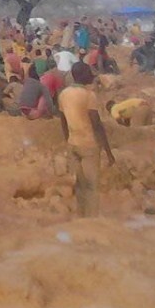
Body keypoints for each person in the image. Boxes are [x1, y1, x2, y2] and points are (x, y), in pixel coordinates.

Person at [59, 62, 115, 218]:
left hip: (73, 143)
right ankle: (92, 221)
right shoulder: (89, 95)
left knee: (80, 185)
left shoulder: (63, 94)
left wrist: (68, 141)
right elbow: (97, 125)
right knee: (92, 186)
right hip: (89, 145)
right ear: (83, 75)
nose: (91, 75)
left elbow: (63, 121)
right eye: (89, 73)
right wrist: (108, 152)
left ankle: (81, 217)